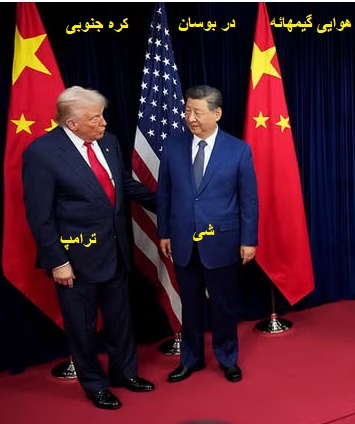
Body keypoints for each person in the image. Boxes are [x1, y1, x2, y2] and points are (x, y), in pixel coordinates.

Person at [22, 86, 156, 410]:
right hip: (75, 259)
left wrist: (168, 203)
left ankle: (125, 374)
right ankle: (95, 385)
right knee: (82, 327)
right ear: (72, 123)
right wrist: (58, 262)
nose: (103, 123)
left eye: (102, 115)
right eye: (95, 118)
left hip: (116, 251)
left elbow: (123, 184)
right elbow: (40, 216)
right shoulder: (42, 153)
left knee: (121, 319)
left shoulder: (108, 142)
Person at [158, 85, 259, 383]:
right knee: (189, 305)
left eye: (197, 112)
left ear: (217, 113)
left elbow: (248, 200)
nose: (190, 118)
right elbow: (164, 193)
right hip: (183, 241)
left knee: (223, 304)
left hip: (222, 241)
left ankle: (227, 357)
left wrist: (249, 240)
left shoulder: (239, 150)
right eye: (187, 111)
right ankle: (191, 359)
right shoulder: (173, 146)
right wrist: (164, 232)